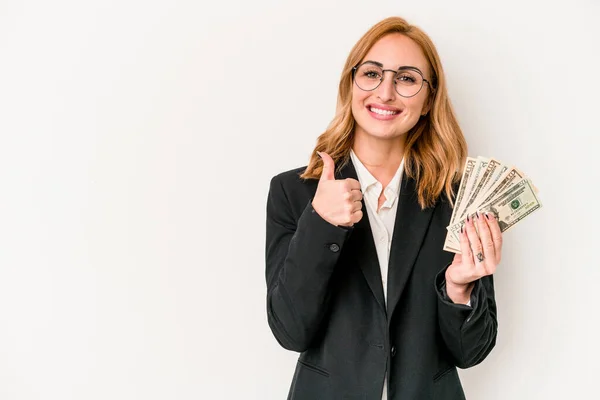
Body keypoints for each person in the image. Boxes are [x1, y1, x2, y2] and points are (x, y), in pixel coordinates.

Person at [265, 16, 502, 400]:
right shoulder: (292, 192)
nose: (386, 92)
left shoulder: (459, 199)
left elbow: (471, 352)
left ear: (428, 100)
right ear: (351, 84)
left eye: (407, 78)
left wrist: (459, 288)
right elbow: (291, 331)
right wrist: (321, 225)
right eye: (372, 73)